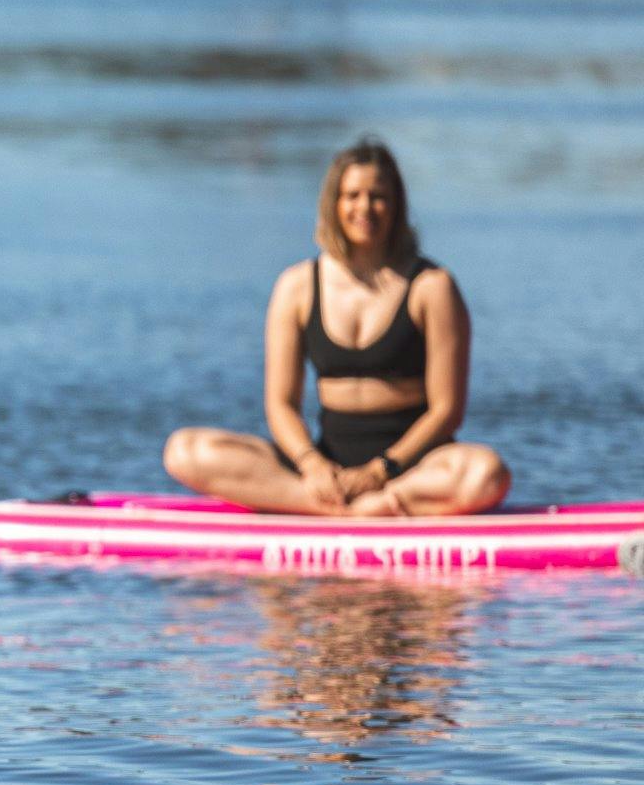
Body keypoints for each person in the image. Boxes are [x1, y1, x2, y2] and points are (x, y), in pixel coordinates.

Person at [164, 139, 509, 518]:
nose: (365, 208)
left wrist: (382, 472)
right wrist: (311, 464)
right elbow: (281, 404)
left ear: (397, 206)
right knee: (184, 450)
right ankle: (335, 508)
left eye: (378, 197)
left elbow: (446, 411)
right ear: (334, 204)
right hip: (324, 468)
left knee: (486, 473)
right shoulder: (296, 286)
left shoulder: (432, 287)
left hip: (412, 470)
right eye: (352, 196)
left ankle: (381, 503)